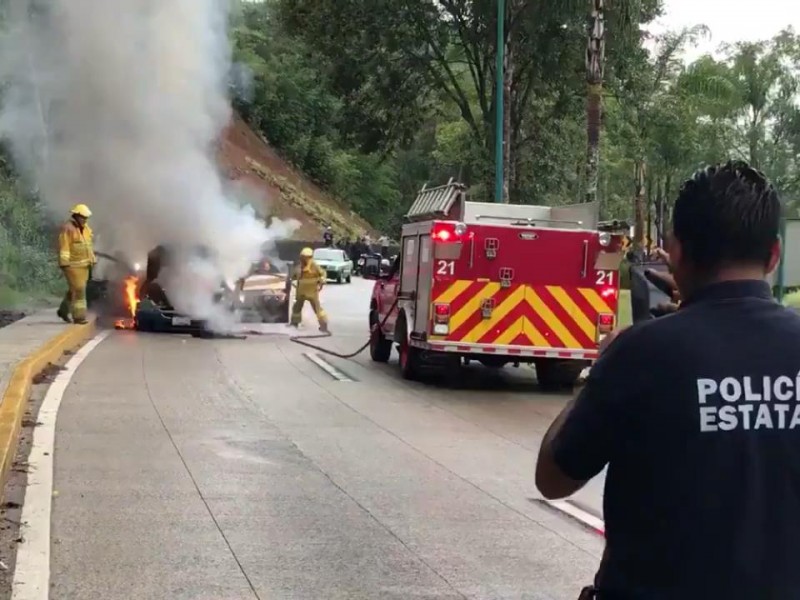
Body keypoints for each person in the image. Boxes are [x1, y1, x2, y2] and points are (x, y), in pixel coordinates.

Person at [535, 160, 799, 599]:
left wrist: (595, 374)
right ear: (773, 254)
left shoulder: (641, 353)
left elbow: (554, 479)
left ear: (675, 250)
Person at [57, 203, 96, 324]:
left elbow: (88, 246)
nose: (85, 219)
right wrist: (64, 262)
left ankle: (63, 311)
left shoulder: (86, 229)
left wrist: (92, 259)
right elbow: (64, 247)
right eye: (83, 217)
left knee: (73, 289)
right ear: (76, 216)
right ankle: (79, 317)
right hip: (71, 265)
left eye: (86, 217)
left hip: (84, 266)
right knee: (80, 289)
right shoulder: (68, 229)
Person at [290, 247, 328, 332]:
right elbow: (293, 276)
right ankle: (294, 323)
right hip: (301, 292)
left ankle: (323, 324)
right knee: (297, 308)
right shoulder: (299, 267)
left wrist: (322, 280)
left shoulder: (315, 266)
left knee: (317, 309)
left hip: (312, 291)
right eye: (303, 257)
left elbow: (323, 274)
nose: (304, 259)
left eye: (306, 257)